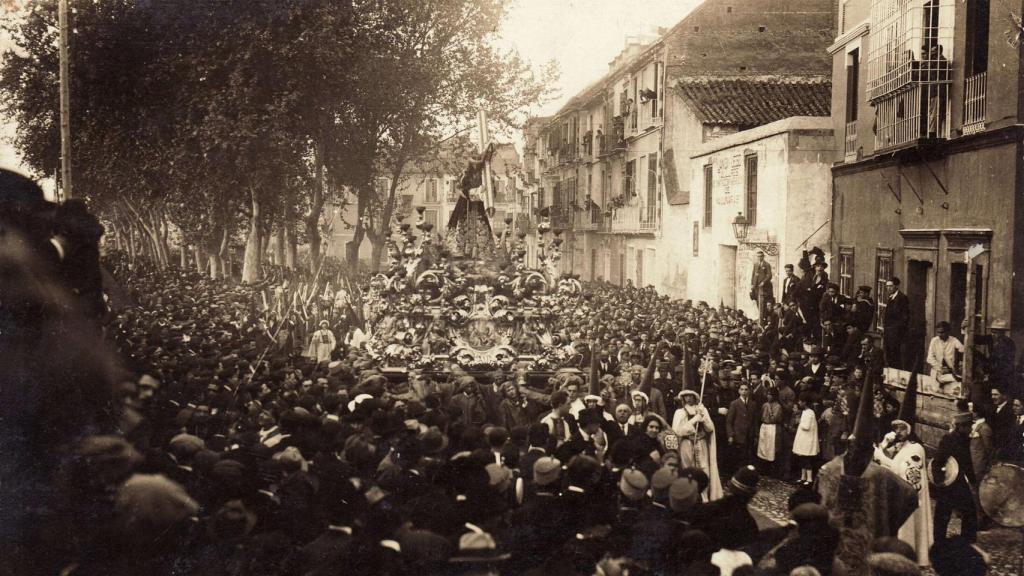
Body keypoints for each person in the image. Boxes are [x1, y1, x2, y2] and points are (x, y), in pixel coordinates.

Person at [873, 378, 933, 566]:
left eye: (901, 428)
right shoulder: (899, 446)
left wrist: (881, 456)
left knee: (906, 531)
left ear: (909, 429)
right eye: (895, 427)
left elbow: (905, 475)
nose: (897, 431)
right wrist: (883, 446)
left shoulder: (915, 449)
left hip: (909, 499)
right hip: (897, 496)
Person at [931, 412, 978, 544]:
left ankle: (967, 541)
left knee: (969, 511)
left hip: (959, 482)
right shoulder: (948, 439)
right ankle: (939, 542)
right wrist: (940, 481)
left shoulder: (965, 440)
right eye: (968, 427)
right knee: (943, 514)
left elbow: (967, 462)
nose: (970, 429)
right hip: (948, 483)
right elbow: (938, 461)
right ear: (961, 427)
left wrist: (972, 480)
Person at [671, 390, 722, 501]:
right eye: (685, 396)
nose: (688, 398)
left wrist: (703, 418)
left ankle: (704, 497)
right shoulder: (679, 412)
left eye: (690, 396)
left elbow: (710, 428)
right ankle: (690, 497)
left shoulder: (702, 409)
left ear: (695, 397)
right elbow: (678, 431)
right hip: (686, 445)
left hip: (701, 443)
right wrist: (694, 420)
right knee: (688, 469)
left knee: (704, 469)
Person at [726, 383, 759, 470]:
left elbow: (755, 421)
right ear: (739, 391)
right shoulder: (734, 404)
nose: (744, 392)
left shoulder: (753, 404)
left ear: (749, 391)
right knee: (739, 456)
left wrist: (756, 435)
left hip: (750, 435)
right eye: (742, 389)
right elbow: (729, 422)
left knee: (748, 456)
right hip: (738, 435)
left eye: (746, 389)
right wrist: (730, 435)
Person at [926, 321, 963, 392]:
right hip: (938, 370)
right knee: (935, 389)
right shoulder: (934, 341)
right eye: (938, 332)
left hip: (951, 371)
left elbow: (963, 349)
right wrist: (940, 368)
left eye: (942, 332)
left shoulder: (953, 340)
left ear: (948, 332)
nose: (940, 334)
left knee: (954, 389)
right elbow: (929, 358)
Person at [883, 278, 910, 370]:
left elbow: (904, 318)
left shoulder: (902, 298)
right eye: (887, 286)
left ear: (896, 286)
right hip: (889, 333)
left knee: (896, 356)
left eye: (891, 286)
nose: (888, 288)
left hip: (896, 334)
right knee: (889, 355)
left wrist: (896, 331)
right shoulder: (891, 298)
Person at [792, 393, 819, 486]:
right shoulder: (805, 412)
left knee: (807, 460)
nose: (799, 403)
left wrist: (799, 421)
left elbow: (806, 426)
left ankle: (809, 479)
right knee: (802, 459)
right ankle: (803, 477)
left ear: (805, 402)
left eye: (800, 401)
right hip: (803, 439)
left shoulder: (810, 413)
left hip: (807, 440)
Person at [757, 388, 784, 477]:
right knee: (763, 447)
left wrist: (770, 413)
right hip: (764, 426)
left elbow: (775, 418)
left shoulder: (778, 406)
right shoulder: (764, 405)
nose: (768, 396)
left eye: (771, 394)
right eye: (768, 394)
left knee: (771, 448)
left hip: (772, 427)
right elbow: (761, 415)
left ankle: (772, 469)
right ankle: (763, 467)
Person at [750, 250, 773, 321]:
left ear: (763, 257)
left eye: (761, 256)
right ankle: (760, 318)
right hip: (756, 287)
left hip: (764, 288)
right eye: (758, 256)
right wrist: (752, 284)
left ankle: (765, 318)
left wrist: (763, 282)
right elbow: (753, 275)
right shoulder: (755, 264)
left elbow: (769, 275)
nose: (759, 258)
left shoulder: (767, 264)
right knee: (757, 302)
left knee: (763, 303)